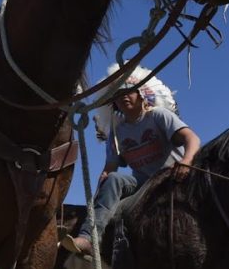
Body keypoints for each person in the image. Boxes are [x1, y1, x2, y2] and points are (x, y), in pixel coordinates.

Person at [61, 76, 202, 258]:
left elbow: (192, 138)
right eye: (118, 95)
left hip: (171, 177)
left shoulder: (159, 115)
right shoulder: (117, 131)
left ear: (141, 94)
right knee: (113, 180)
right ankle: (89, 239)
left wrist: (187, 161)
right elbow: (110, 166)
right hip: (142, 183)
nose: (123, 97)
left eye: (129, 92)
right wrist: (103, 181)